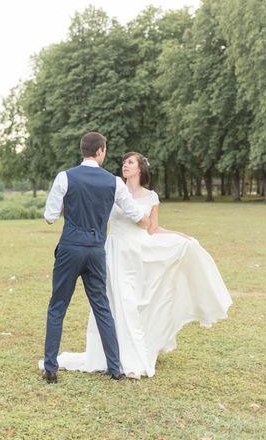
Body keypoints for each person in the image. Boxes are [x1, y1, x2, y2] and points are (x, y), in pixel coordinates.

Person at [54, 152, 233, 378]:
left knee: (136, 302)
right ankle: (125, 359)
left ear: (140, 168)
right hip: (116, 251)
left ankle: (134, 350)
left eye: (130, 162)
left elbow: (153, 229)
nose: (125, 165)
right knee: (118, 301)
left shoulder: (151, 197)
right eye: (124, 162)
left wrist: (180, 236)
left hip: (139, 252)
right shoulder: (113, 188)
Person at [41, 134, 150, 384]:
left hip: (69, 248)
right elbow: (134, 213)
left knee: (58, 306)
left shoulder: (65, 177)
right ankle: (114, 368)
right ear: (100, 152)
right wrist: (150, 223)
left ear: (84, 151)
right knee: (102, 307)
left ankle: (50, 368)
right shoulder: (114, 182)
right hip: (96, 250)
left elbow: (49, 216)